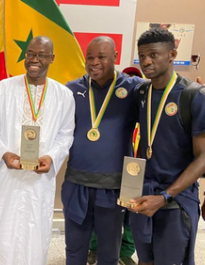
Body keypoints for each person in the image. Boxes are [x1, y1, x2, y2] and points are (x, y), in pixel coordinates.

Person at [0, 36, 75, 265]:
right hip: (7, 179)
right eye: (30, 54)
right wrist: (4, 154)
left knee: (35, 236)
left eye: (41, 55)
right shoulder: (3, 89)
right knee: (2, 236)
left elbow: (66, 135)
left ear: (51, 58)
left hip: (39, 184)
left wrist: (51, 158)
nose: (34, 59)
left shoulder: (64, 95)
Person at [130, 28, 205, 265]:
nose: (146, 61)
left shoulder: (195, 96)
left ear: (172, 54)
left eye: (154, 55)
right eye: (142, 56)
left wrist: (166, 196)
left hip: (175, 201)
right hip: (143, 196)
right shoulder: (142, 92)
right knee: (145, 260)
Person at [62, 36, 144, 265]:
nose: (94, 62)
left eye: (101, 57)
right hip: (77, 182)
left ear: (116, 57)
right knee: (75, 250)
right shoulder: (72, 89)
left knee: (109, 253)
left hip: (113, 186)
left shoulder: (134, 88)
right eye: (90, 57)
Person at [86, 66, 144, 265]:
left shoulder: (147, 118)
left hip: (139, 173)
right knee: (101, 211)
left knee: (132, 215)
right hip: (115, 171)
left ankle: (126, 252)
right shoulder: (118, 115)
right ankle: (94, 248)